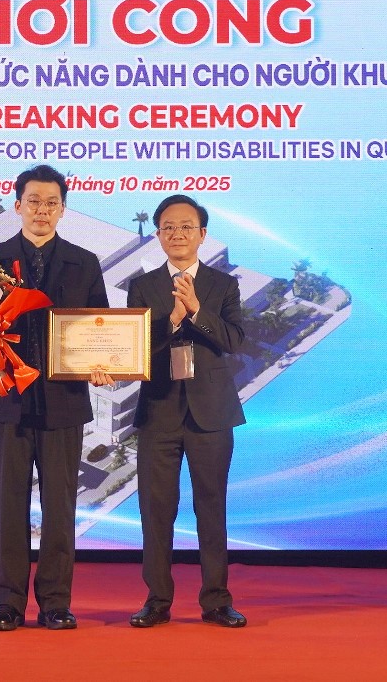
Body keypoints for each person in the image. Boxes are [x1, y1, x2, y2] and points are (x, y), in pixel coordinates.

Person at [0, 164, 111, 632]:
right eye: (33, 201)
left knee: (61, 506)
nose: (42, 210)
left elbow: (100, 325)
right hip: (7, 399)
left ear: (62, 209)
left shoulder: (84, 262)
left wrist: (102, 363)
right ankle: (7, 603)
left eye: (51, 202)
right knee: (6, 505)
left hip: (64, 402)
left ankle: (56, 602)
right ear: (17, 205)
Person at [126, 194, 248, 628]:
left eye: (186, 227)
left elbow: (234, 341)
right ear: (158, 235)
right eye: (168, 227)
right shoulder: (142, 287)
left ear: (202, 234)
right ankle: (157, 600)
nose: (177, 234)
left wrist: (196, 311)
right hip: (158, 411)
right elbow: (136, 348)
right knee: (156, 509)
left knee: (211, 507)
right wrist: (173, 321)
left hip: (211, 414)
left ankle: (216, 601)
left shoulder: (223, 284)